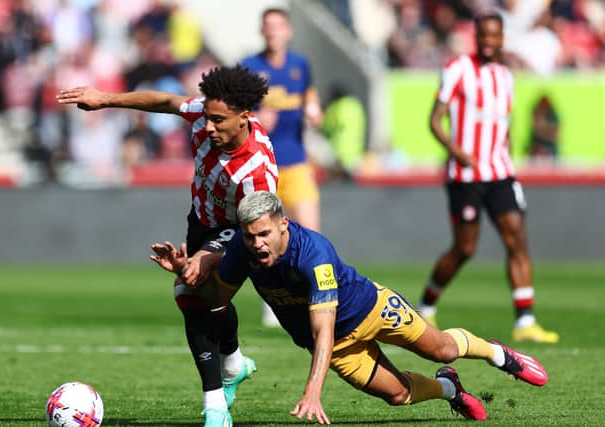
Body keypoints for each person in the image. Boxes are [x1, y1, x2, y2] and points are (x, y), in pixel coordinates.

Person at [150, 191, 549, 424]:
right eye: (251, 236)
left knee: (442, 347)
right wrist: (188, 274)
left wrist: (312, 392)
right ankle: (449, 388)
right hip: (338, 346)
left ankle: (499, 354)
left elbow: (322, 327)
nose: (257, 244)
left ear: (283, 224)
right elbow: (217, 302)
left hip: (370, 309)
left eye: (264, 234)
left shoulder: (315, 254)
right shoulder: (241, 249)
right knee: (397, 396)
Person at [57, 64, 278, 427]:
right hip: (201, 220)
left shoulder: (258, 172)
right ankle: (234, 363)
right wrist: (105, 99)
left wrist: (208, 256)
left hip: (242, 231)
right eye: (207, 117)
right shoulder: (203, 116)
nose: (208, 127)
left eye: (218, 120)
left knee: (191, 293)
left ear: (244, 117)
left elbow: (256, 231)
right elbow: (164, 100)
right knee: (202, 297)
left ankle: (215, 410)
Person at [415, 12, 559, 344]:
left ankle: (525, 321)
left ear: (502, 37)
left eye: (495, 36)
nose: (489, 42)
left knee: (517, 238)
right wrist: (457, 151)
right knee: (465, 248)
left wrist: (506, 155)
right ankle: (426, 305)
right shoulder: (457, 69)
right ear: (476, 36)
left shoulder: (506, 75)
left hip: (500, 172)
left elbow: (503, 126)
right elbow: (435, 120)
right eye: (483, 36)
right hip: (465, 175)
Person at [241, 7, 323, 326]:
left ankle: (318, 297)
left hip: (296, 161)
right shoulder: (250, 67)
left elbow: (309, 98)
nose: (273, 31)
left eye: (278, 26)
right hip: (263, 164)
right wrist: (257, 119)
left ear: (288, 30)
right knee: (264, 236)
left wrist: (315, 110)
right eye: (268, 26)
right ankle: (272, 300)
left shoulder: (300, 65)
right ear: (262, 31)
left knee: (311, 235)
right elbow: (235, 116)